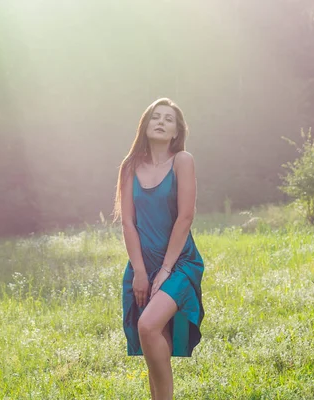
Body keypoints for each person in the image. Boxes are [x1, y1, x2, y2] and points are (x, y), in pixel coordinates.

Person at [114, 98, 205, 400]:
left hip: (179, 263)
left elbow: (186, 217)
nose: (162, 121)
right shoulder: (129, 167)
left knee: (149, 325)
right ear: (145, 123)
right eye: (156, 116)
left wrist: (165, 270)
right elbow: (127, 222)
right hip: (143, 264)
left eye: (169, 119)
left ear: (177, 131)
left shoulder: (182, 161)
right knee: (154, 339)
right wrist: (140, 271)